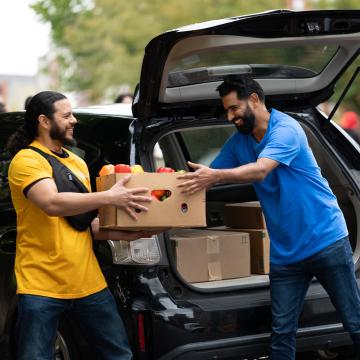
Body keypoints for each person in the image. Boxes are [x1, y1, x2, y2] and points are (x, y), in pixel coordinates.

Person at [177, 75, 360, 359]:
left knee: (354, 322)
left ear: (254, 99)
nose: (230, 116)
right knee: (282, 331)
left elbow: (261, 170)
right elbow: (207, 177)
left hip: (326, 241)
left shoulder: (287, 129)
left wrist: (214, 175)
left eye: (234, 108)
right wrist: (162, 188)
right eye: (226, 110)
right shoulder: (240, 142)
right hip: (286, 253)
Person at [6, 91, 154, 360]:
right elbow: (52, 202)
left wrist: (133, 234)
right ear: (44, 121)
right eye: (66, 115)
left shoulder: (77, 162)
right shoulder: (27, 160)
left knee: (119, 355)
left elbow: (85, 224)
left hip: (88, 282)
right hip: (42, 284)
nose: (73, 120)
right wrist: (110, 197)